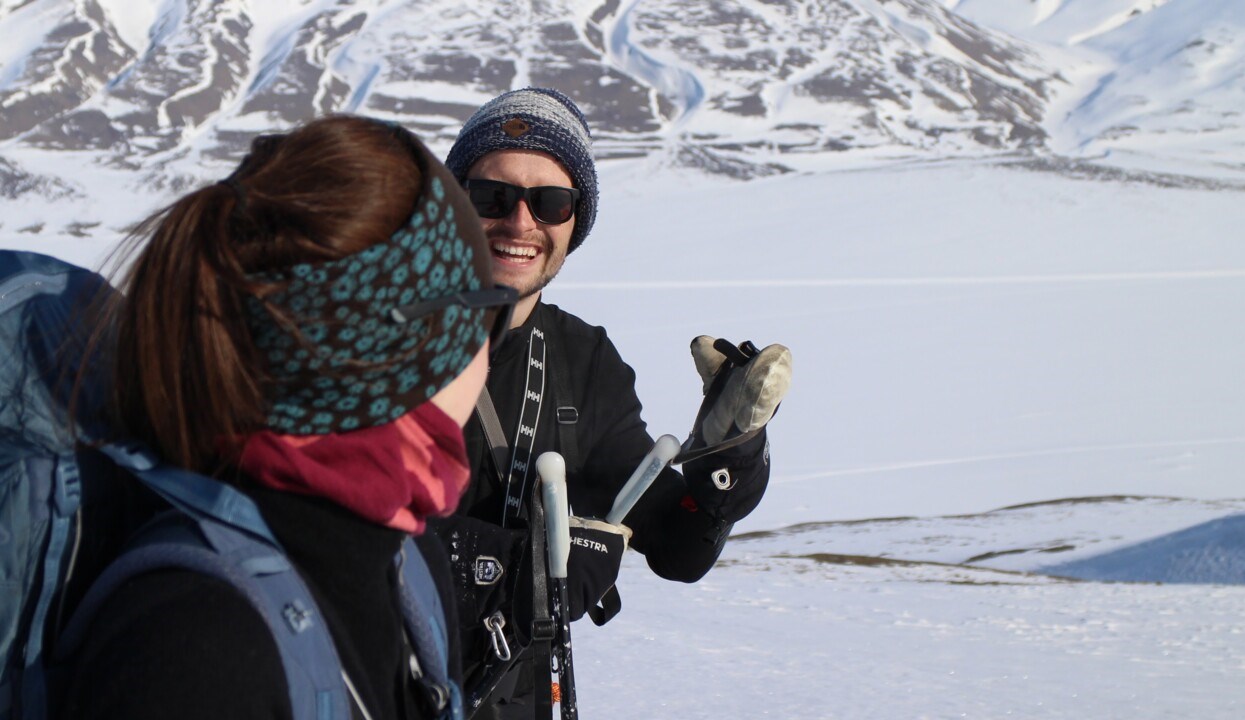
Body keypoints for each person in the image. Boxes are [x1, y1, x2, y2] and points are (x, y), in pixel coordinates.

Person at [58, 116, 517, 720]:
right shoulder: (197, 646)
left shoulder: (407, 563)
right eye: (486, 315)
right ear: (412, 348)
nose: (490, 348)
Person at [428, 88, 791, 718]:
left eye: (550, 203)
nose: (520, 223)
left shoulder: (582, 360)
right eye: (491, 197)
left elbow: (677, 547)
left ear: (575, 220)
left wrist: (728, 460)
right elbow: (323, 531)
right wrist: (522, 572)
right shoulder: (377, 338)